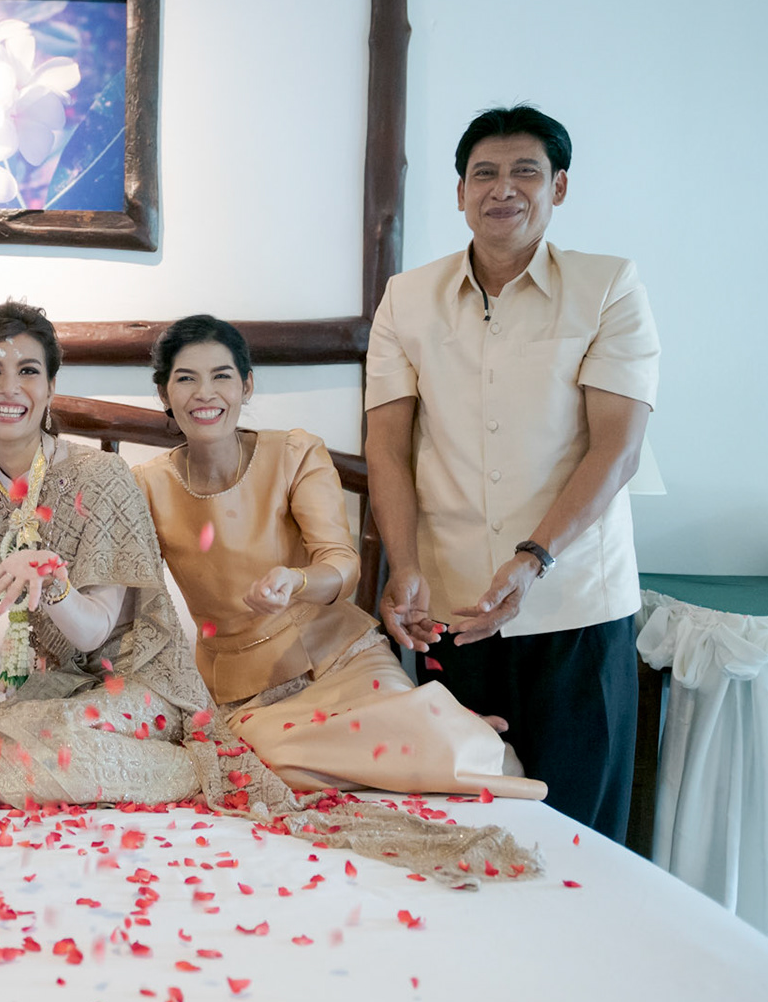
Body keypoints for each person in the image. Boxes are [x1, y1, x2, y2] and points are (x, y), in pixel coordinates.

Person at [365, 105, 659, 841]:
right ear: (460, 192)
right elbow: (387, 447)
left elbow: (617, 448)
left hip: (574, 605)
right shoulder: (407, 298)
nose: (503, 189)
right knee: (460, 824)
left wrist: (533, 560)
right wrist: (403, 565)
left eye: (525, 171)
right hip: (452, 609)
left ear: (558, 186)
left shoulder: (608, 286)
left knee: (580, 832)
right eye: (485, 173)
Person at [133, 315, 543, 799]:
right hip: (247, 692)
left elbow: (343, 564)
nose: (205, 393)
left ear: (246, 386)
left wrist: (296, 580)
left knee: (341, 738)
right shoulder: (146, 486)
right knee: (263, 763)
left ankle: (446, 740)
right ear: (163, 393)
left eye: (221, 376)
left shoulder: (294, 453)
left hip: (341, 659)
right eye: (186, 379)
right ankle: (441, 737)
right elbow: (130, 598)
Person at [0, 302, 281, 810]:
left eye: (28, 371)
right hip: (58, 690)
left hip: (139, 687)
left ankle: (187, 767)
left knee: (54, 735)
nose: (9, 388)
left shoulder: (102, 476)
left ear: (50, 388)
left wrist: (50, 579)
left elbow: (93, 632)